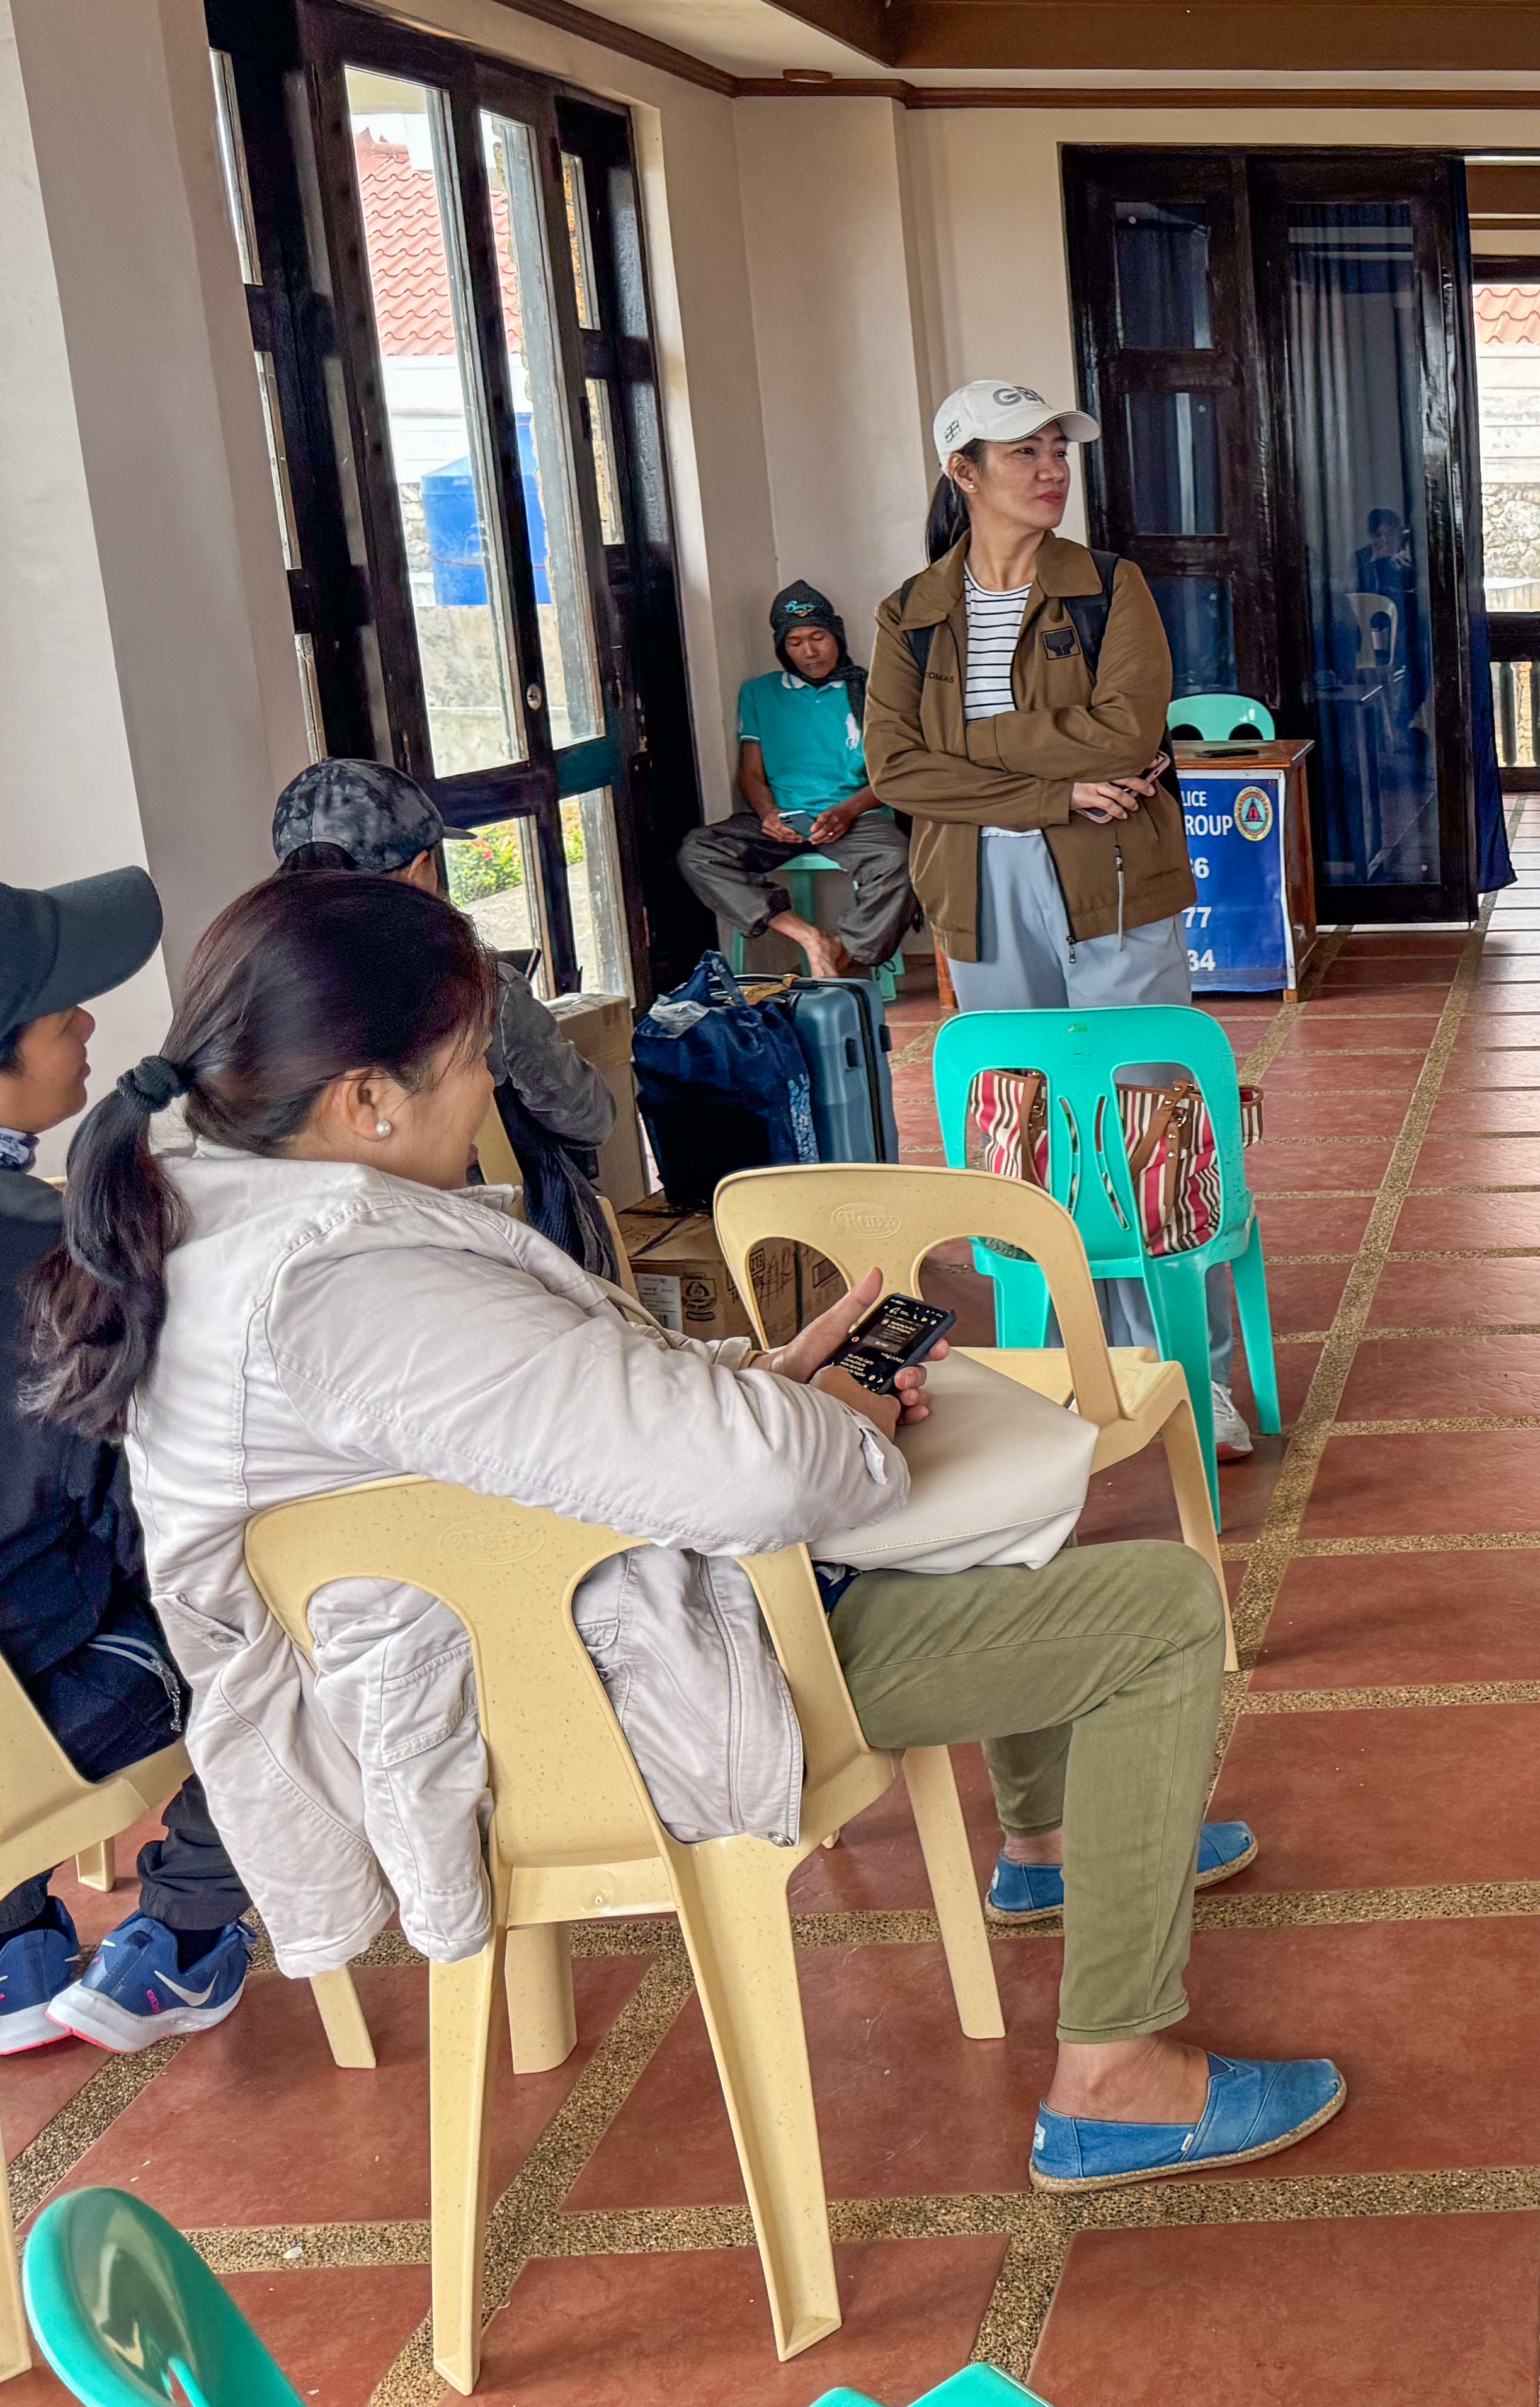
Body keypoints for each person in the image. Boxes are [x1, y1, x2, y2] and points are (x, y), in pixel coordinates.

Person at [19, 871, 1340, 2188]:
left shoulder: (223, 1218)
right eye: (473, 1061)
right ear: (367, 1098)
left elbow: (555, 1414)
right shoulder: (347, 1292)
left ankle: (1051, 1849)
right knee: (1155, 1610)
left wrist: (772, 1383)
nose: (489, 1091)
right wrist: (832, 1424)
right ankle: (1116, 2080)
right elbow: (749, 1479)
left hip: (537, 1651)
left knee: (970, 1514)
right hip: (588, 1704)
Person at [863, 379, 1248, 1461]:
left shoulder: (1108, 588)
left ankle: (1192, 1374)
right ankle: (1079, 1363)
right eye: (1021, 452)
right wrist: (1049, 786)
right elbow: (894, 768)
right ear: (962, 472)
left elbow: (1125, 736)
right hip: (980, 885)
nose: (1048, 470)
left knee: (1148, 1124)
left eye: (1056, 450)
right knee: (1025, 1128)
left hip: (1113, 872)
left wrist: (971, 747)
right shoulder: (909, 614)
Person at [0, 871, 256, 2050]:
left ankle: (13, 1946)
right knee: (304, 1609)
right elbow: (140, 1511)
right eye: (63, 1012)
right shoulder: (47, 1264)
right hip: (52, 1717)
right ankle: (188, 1929)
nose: (90, 1023)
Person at [269, 759, 612, 1151]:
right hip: (459, 1188)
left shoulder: (252, 992)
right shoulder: (479, 988)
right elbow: (589, 1119)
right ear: (419, 870)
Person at [675, 581, 914, 981]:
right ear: (782, 648)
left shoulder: (873, 690)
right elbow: (751, 774)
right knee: (698, 852)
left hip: (853, 816)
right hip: (783, 819)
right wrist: (768, 814)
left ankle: (846, 951)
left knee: (901, 861)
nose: (810, 652)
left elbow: (895, 773)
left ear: (837, 636)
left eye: (818, 637)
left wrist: (847, 812)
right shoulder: (760, 693)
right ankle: (809, 938)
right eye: (796, 642)